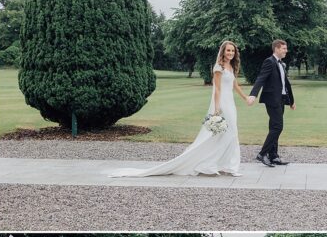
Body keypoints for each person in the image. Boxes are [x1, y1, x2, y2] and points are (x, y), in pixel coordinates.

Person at [109, 40, 248, 178]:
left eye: (232, 51)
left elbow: (234, 84)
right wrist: (217, 109)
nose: (230, 53)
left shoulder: (230, 66)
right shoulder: (219, 67)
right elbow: (217, 89)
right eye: (228, 50)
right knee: (229, 134)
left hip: (231, 104)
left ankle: (224, 165)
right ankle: (216, 165)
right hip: (222, 103)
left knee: (228, 134)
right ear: (223, 51)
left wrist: (246, 98)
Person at [248, 39, 295, 168]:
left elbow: (286, 84)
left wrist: (291, 101)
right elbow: (261, 78)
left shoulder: (281, 63)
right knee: (277, 127)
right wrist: (253, 94)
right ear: (277, 49)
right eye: (284, 48)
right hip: (272, 100)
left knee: (273, 127)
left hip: (281, 99)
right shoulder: (269, 61)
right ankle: (262, 154)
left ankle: (273, 156)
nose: (286, 51)